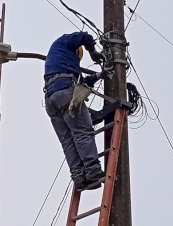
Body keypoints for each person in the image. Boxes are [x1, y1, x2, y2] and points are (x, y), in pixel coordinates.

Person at [44, 31, 107, 189]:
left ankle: (79, 176)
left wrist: (100, 75)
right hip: (65, 93)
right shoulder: (65, 42)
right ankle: (93, 170)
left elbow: (82, 82)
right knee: (82, 132)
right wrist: (93, 52)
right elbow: (84, 36)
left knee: (68, 140)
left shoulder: (58, 62)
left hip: (51, 99)